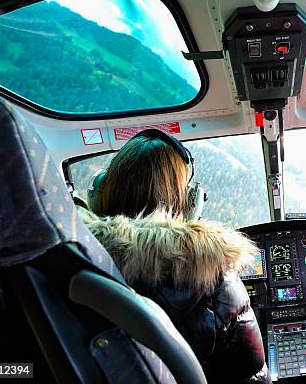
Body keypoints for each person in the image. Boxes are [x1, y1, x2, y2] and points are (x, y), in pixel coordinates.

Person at [78, 129, 269, 384]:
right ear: (191, 203)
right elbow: (252, 377)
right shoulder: (214, 278)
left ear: (99, 193)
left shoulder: (77, 259)